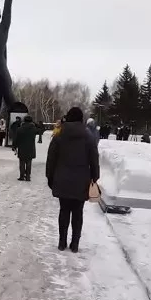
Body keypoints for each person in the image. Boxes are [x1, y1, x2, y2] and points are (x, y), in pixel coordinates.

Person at [46, 107, 99, 253]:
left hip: (62, 178)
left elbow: (51, 159)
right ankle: (75, 244)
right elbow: (94, 158)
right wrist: (95, 177)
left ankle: (62, 242)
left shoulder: (59, 135)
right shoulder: (88, 136)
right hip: (81, 180)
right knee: (78, 212)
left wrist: (50, 177)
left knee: (64, 211)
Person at [13, 115, 37, 181]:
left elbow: (16, 139)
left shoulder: (20, 129)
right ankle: (28, 176)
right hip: (30, 147)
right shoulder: (34, 129)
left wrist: (14, 146)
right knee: (29, 162)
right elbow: (39, 130)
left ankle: (21, 176)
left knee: (22, 162)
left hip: (22, 147)